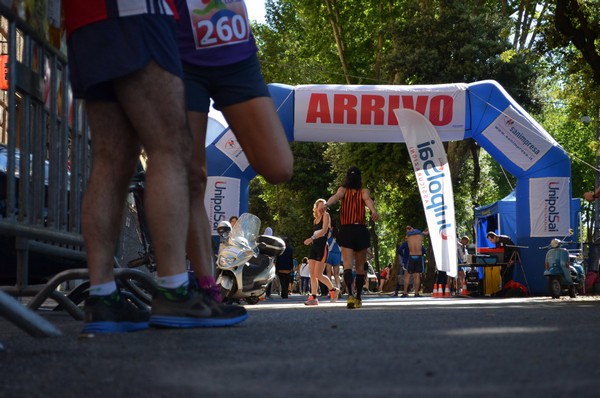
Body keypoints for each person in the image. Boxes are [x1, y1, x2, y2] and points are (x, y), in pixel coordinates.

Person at [64, 1, 247, 333]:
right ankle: (174, 291)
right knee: (170, 147)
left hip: (85, 19)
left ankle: (103, 295)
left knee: (111, 156)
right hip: (137, 12)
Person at [174, 0, 293, 304]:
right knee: (192, 175)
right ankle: (200, 288)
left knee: (279, 167)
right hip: (179, 45)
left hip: (233, 43)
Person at [325, 166, 379, 309]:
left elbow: (335, 198)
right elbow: (367, 201)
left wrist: (326, 204)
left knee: (348, 265)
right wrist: (373, 211)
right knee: (360, 267)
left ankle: (350, 295)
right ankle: (359, 297)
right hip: (360, 230)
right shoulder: (364, 191)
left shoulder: (343, 190)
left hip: (347, 230)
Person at [303, 199, 340, 305]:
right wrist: (312, 240)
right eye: (321, 205)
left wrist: (311, 238)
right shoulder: (315, 220)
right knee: (312, 274)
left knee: (318, 274)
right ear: (316, 207)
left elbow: (324, 231)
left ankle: (333, 289)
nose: (323, 207)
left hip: (323, 246)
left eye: (324, 206)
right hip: (314, 247)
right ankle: (313, 298)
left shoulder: (326, 216)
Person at [401, 226, 428, 297]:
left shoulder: (408, 236)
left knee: (407, 275)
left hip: (411, 256)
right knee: (417, 275)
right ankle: (416, 293)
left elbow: (407, 229)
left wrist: (409, 230)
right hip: (419, 256)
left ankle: (405, 292)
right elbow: (427, 232)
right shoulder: (420, 235)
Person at [326, 224, 342, 289]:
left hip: (329, 254)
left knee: (328, 273)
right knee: (336, 274)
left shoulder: (329, 232)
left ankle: (330, 289)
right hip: (337, 254)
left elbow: (326, 242)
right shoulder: (339, 233)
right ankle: (338, 287)